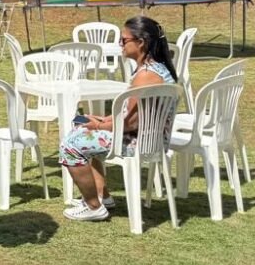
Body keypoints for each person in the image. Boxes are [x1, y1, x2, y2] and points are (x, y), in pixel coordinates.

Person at [60, 15, 178, 222]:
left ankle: (93, 206)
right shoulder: (156, 68)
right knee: (82, 130)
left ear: (141, 43)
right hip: (148, 137)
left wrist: (99, 125)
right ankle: (102, 196)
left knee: (70, 145)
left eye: (124, 40)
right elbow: (133, 116)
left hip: (138, 141)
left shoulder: (146, 75)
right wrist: (102, 121)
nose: (120, 45)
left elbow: (131, 123)